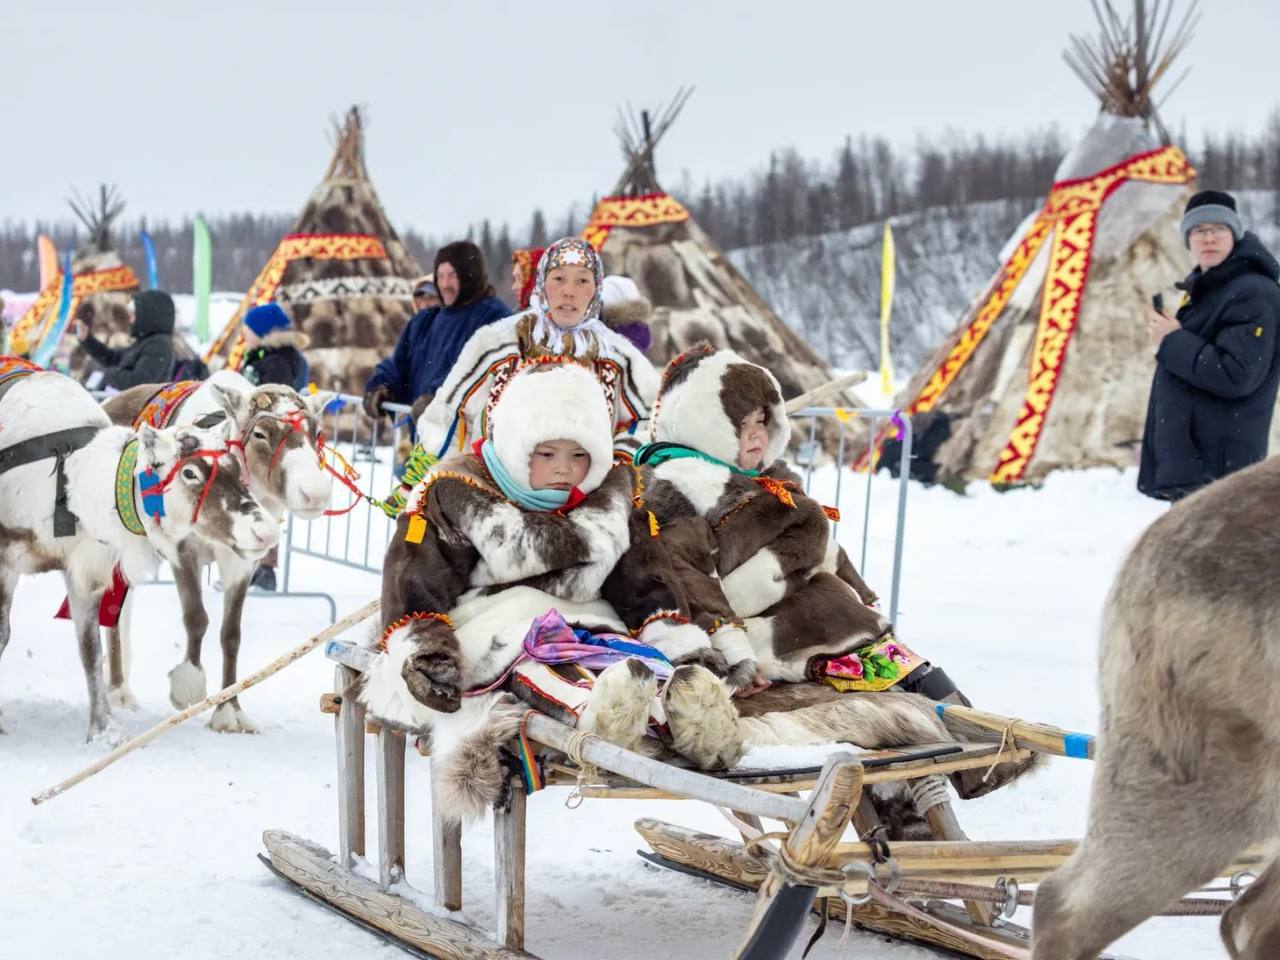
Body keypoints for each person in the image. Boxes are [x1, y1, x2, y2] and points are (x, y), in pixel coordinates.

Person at [416, 236, 658, 464]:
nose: (569, 291)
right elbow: (449, 414)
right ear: (542, 283)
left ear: (596, 289)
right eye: (559, 278)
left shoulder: (617, 356)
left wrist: (615, 470)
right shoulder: (498, 344)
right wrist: (450, 477)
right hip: (498, 493)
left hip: (588, 497)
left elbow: (650, 421)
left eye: (582, 280)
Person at [1138, 189, 1280, 501]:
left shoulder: (1252, 292)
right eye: (1199, 231)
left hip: (1221, 472)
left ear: (1235, 235)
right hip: (1199, 467)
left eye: (1219, 229)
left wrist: (1172, 341)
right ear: (1188, 240)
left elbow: (1236, 375)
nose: (1209, 238)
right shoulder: (1207, 290)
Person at [362, 242, 508, 422]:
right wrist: (382, 386)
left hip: (465, 436)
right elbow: (398, 364)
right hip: (424, 436)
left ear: (470, 275)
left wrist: (438, 398)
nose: (445, 284)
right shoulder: (425, 321)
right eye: (440, 276)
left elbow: (476, 369)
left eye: (453, 275)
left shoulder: (493, 316)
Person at [74, 290, 176, 390]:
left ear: (148, 315)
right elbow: (114, 359)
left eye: (134, 314)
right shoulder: (146, 341)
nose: (130, 319)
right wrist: (87, 340)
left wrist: (107, 373)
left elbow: (138, 383)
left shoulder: (158, 345)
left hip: (144, 405)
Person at [240, 302, 310, 392]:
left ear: (262, 332)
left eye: (248, 330)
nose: (244, 335)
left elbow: (275, 402)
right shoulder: (269, 356)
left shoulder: (276, 363)